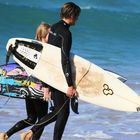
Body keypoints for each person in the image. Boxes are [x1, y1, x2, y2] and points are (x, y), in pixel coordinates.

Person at [20, 2, 81, 140]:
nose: (77, 19)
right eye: (76, 16)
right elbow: (64, 60)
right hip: (59, 77)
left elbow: (48, 55)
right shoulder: (66, 33)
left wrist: (47, 83)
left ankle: (31, 132)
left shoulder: (53, 27)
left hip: (51, 76)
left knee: (61, 112)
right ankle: (31, 132)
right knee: (62, 112)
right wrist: (70, 85)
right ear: (71, 16)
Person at [0, 22, 51, 140]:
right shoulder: (44, 50)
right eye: (50, 35)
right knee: (42, 119)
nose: (52, 37)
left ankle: (5, 135)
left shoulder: (30, 49)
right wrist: (47, 88)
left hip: (27, 87)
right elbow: (43, 71)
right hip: (39, 88)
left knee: (31, 118)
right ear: (44, 35)